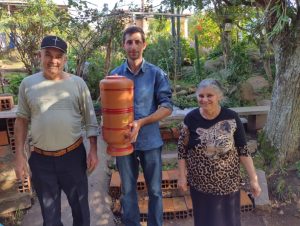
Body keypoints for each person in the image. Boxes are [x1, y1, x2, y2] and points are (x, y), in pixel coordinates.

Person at [14, 35, 99, 226]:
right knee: (50, 218)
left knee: (81, 213)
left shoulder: (78, 84)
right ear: (40, 56)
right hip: (41, 161)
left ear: (65, 59)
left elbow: (90, 120)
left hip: (73, 158)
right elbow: (21, 121)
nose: (54, 60)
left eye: (59, 56)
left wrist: (93, 149)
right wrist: (19, 156)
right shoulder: (28, 84)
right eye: (48, 55)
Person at [110, 26, 173, 226]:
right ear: (124, 45)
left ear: (144, 45)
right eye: (129, 42)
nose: (133, 46)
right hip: (124, 144)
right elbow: (108, 109)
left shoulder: (156, 74)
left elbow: (167, 107)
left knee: (155, 191)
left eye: (138, 42)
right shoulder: (114, 75)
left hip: (150, 142)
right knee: (128, 191)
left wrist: (141, 122)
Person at [177, 78, 261, 226]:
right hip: (200, 184)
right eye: (201, 96)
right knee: (204, 221)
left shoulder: (231, 117)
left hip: (228, 183)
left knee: (229, 221)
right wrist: (182, 177)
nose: (204, 99)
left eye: (209, 95)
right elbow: (182, 150)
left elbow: (243, 151)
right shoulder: (191, 118)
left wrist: (253, 179)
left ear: (219, 96)